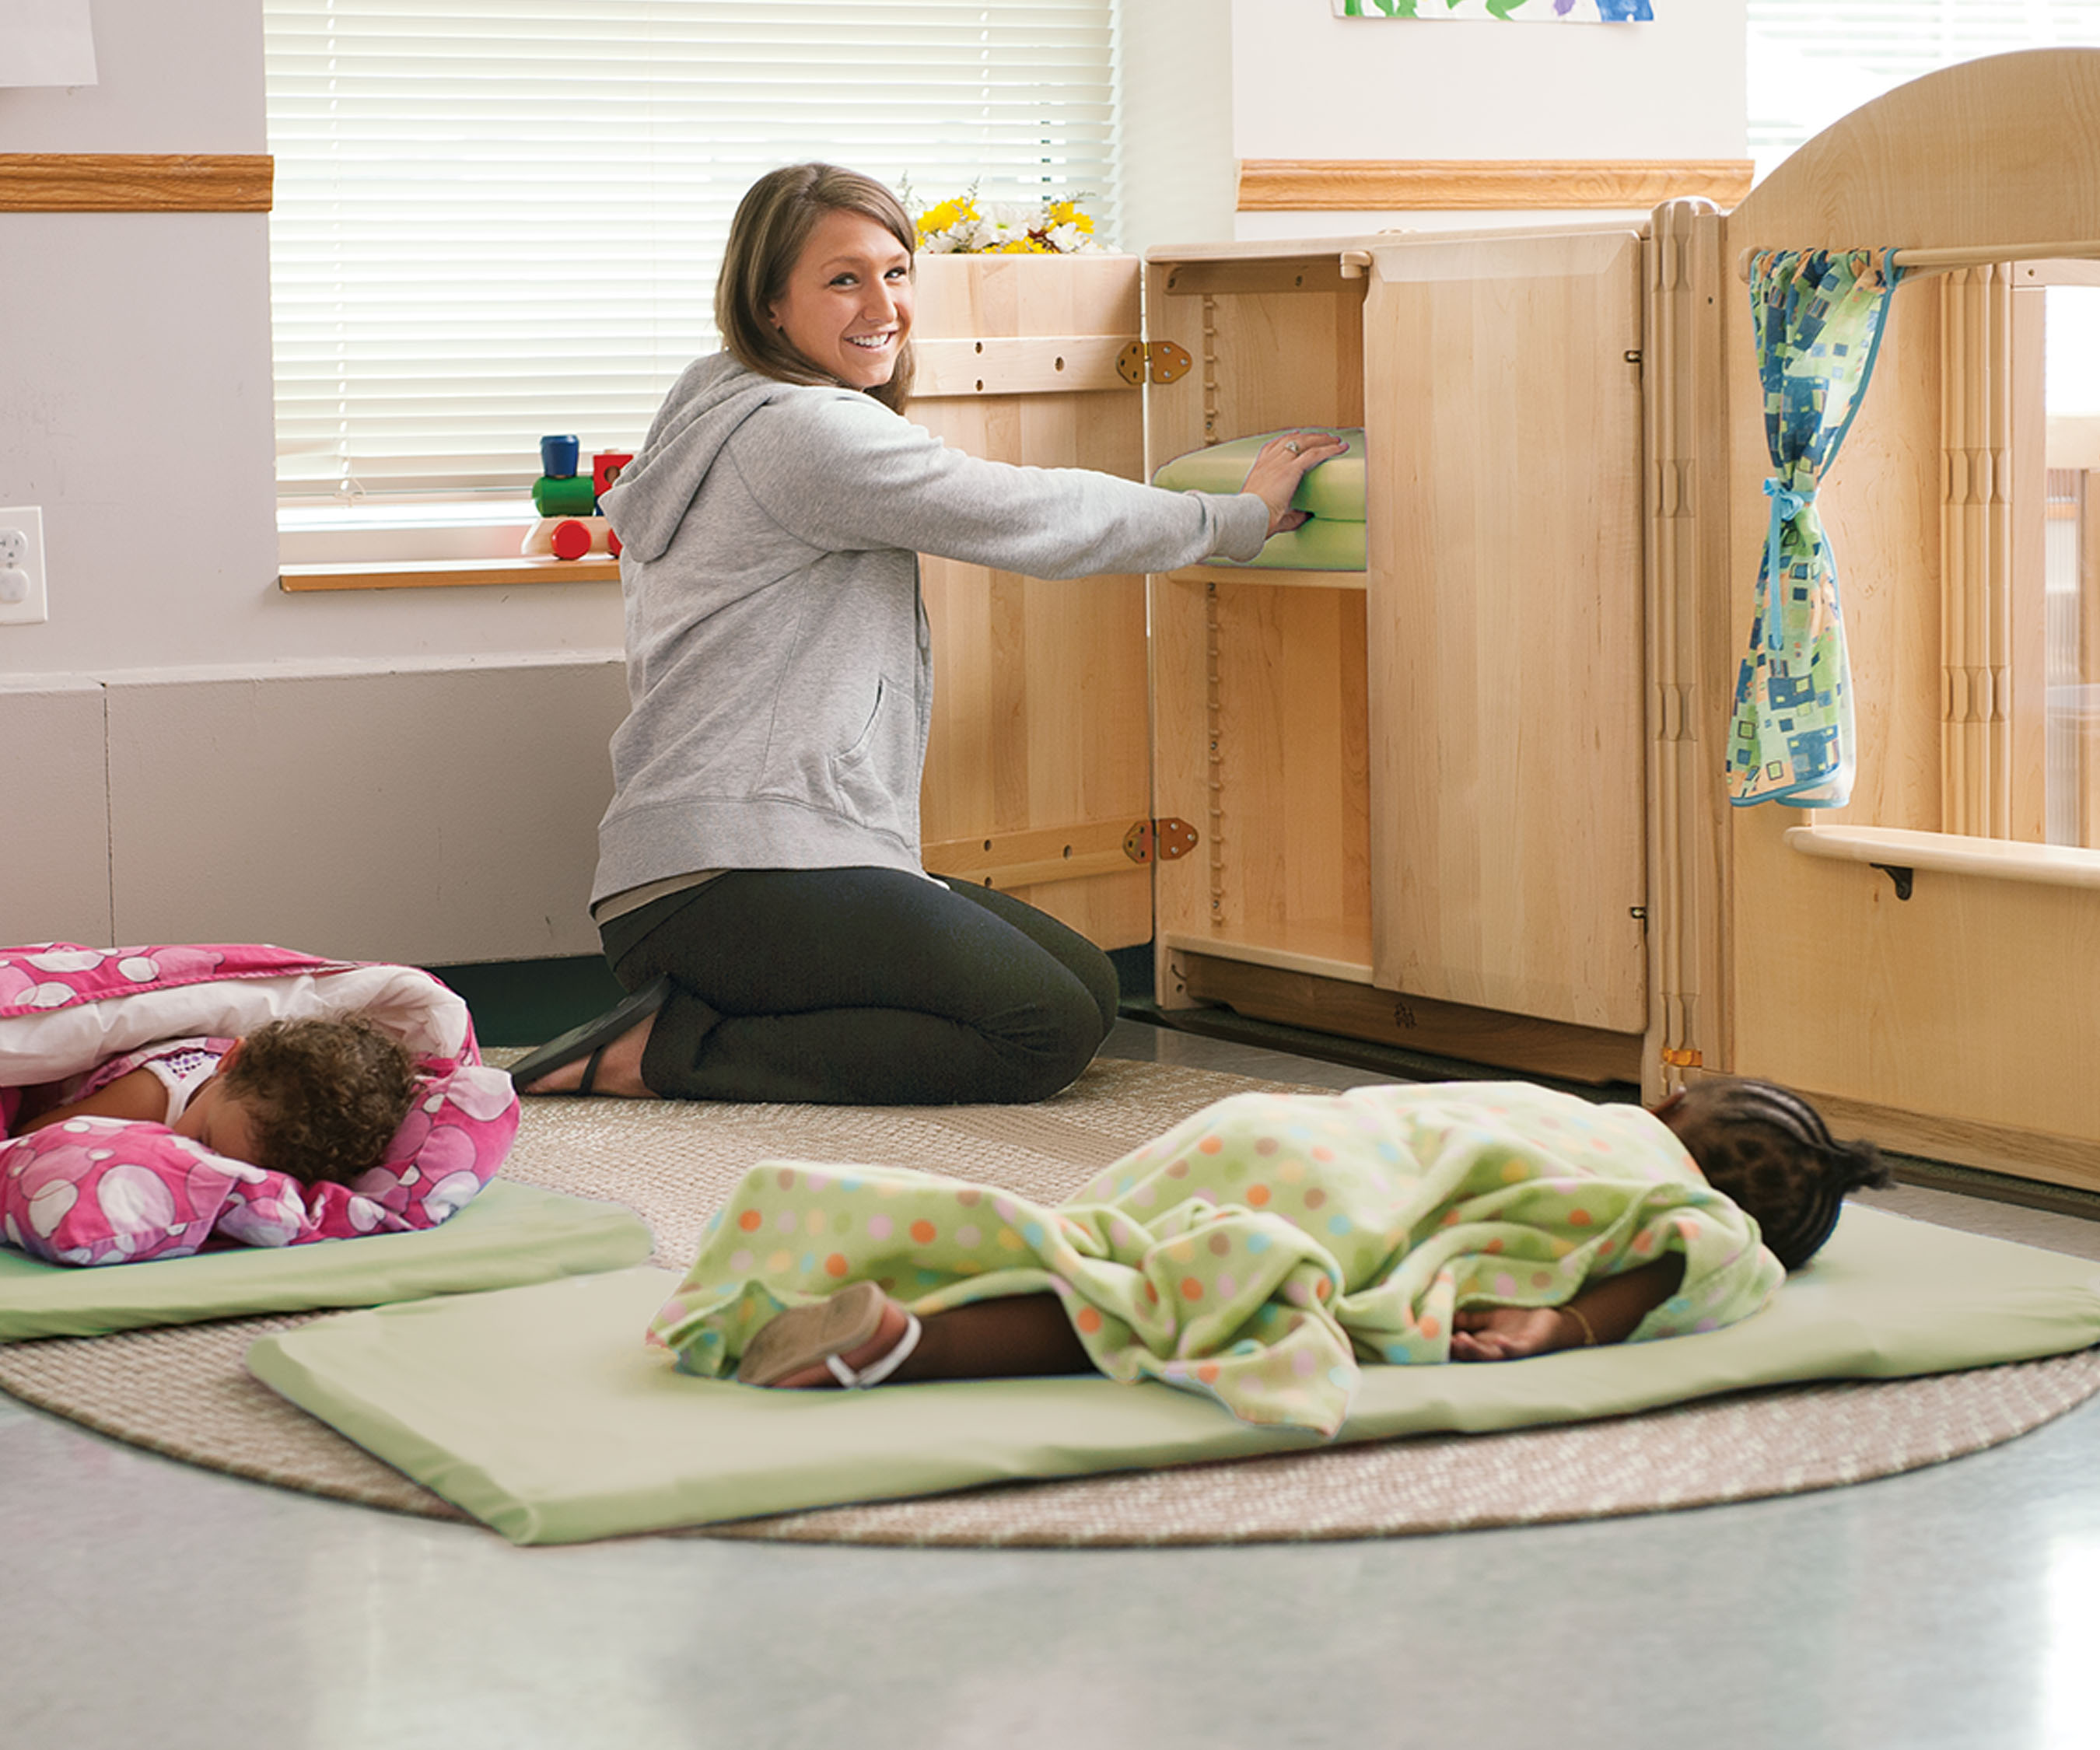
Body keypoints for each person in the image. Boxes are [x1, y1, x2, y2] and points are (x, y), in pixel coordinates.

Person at [506, 161, 1349, 1107]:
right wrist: (1228, 518)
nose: (883, 304)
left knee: (1088, 986)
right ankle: (660, 1054)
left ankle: (700, 1013)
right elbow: (1027, 513)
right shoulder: (801, 433)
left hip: (754, 859)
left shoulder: (729, 403)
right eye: (842, 279)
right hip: (729, 871)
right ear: (770, 304)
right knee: (1044, 1030)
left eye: (896, 271)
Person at [648, 1076, 1888, 1438]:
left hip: (1275, 1127)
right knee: (1191, 1295)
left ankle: (884, 1272)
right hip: (1334, 1195)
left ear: (1674, 1100)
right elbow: (1698, 1260)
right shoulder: (1685, 1205)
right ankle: (908, 1348)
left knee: (1114, 1243)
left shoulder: (1580, 1112)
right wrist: (1568, 1328)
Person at [12, 1014, 419, 1187]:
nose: (201, 1164)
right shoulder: (151, 1096)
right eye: (205, 1142)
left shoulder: (261, 1126)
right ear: (230, 1061)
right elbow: (28, 1140)